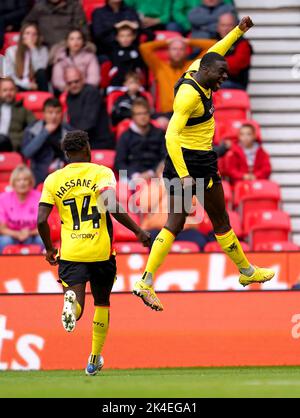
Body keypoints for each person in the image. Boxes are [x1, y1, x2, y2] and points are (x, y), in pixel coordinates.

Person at [133, 16, 275, 311]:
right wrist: (186, 176)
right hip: (193, 162)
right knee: (220, 220)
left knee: (175, 221)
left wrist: (239, 30)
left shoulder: (200, 67)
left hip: (183, 160)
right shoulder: (188, 97)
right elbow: (171, 135)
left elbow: (218, 49)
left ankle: (145, 280)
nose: (224, 78)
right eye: (221, 75)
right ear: (207, 71)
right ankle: (247, 272)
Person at [37, 130, 151, 375]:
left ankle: (72, 306)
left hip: (71, 252)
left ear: (66, 153)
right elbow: (109, 205)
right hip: (101, 251)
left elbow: (41, 220)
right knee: (102, 303)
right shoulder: (101, 173)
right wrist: (138, 231)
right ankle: (94, 358)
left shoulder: (53, 179)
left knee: (77, 308)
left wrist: (48, 248)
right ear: (88, 149)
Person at [139, 36, 216, 113]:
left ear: (186, 52)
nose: (177, 52)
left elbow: (214, 45)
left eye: (181, 49)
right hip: (167, 114)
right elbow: (143, 48)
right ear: (168, 51)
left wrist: (188, 41)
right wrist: (167, 41)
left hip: (189, 113)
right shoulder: (160, 67)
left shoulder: (193, 66)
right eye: (174, 49)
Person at [21, 97, 72, 185]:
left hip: (63, 177)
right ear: (43, 114)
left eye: (57, 112)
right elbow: (27, 153)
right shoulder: (33, 128)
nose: (54, 116)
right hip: (38, 176)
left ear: (62, 114)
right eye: (50, 112)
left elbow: (74, 157)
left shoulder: (69, 131)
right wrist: (45, 132)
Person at [114, 98, 166, 180]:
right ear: (133, 116)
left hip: (156, 175)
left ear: (149, 114)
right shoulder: (125, 136)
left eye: (145, 113)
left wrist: (152, 172)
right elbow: (119, 163)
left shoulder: (159, 134)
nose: (143, 116)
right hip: (132, 177)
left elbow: (165, 157)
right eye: (138, 114)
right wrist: (134, 175)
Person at [64, 67, 114, 150]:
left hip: (99, 142)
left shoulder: (92, 92)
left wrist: (71, 138)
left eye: (76, 81)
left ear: (83, 79)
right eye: (69, 83)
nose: (73, 85)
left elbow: (88, 122)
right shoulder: (69, 96)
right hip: (83, 141)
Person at [0, 165, 44, 254]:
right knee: (5, 241)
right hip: (11, 235)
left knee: (41, 240)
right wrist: (17, 234)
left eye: (25, 179)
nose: (22, 183)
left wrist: (29, 233)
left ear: (30, 182)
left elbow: (43, 226)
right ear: (13, 182)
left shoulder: (39, 197)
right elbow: (2, 228)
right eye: (18, 180)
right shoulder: (3, 198)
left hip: (32, 235)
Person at [23, 0, 89, 48]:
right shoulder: (39, 6)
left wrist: (85, 44)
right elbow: (27, 23)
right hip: (44, 48)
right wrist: (36, 36)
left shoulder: (74, 6)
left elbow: (82, 27)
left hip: (67, 48)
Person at [51, 29, 100, 94]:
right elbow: (57, 80)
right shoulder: (60, 57)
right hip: (66, 91)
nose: (75, 42)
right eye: (72, 39)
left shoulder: (90, 57)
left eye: (79, 39)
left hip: (85, 91)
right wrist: (70, 88)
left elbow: (94, 79)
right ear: (67, 42)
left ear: (83, 41)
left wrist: (81, 88)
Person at [5, 23, 49, 92]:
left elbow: (41, 69)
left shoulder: (43, 50)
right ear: (22, 35)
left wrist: (33, 49)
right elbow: (9, 74)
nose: (30, 37)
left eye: (34, 34)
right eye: (27, 33)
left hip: (36, 84)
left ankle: (44, 99)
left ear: (38, 37)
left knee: (41, 73)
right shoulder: (11, 51)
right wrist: (27, 85)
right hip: (18, 84)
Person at [217, 13, 253, 90]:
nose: (226, 28)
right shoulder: (213, 40)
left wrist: (213, 62)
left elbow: (234, 65)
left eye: (229, 25)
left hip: (234, 84)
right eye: (223, 25)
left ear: (236, 27)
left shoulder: (242, 43)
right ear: (218, 27)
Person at [0, 77, 35, 152]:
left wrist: (20, 138)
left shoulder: (23, 110)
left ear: (16, 91)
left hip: (12, 144)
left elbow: (34, 126)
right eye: (5, 90)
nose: (8, 93)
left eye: (11, 90)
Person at [107, 23, 145, 89]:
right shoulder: (114, 49)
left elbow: (151, 36)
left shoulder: (137, 49)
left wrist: (137, 27)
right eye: (122, 36)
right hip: (117, 85)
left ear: (134, 36)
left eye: (128, 35)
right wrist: (116, 26)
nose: (125, 38)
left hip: (134, 85)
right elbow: (107, 35)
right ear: (117, 38)